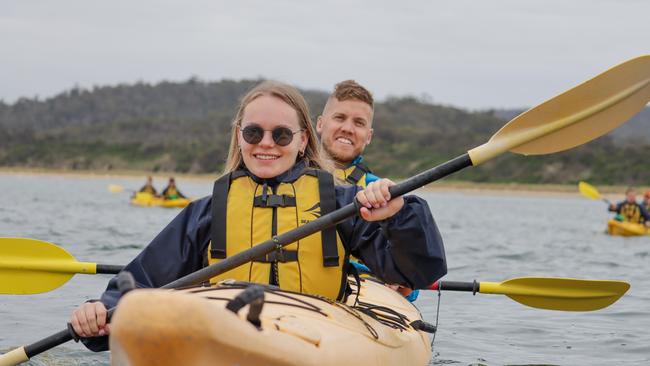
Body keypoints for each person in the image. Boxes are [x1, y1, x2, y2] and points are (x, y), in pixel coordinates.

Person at [71, 81, 447, 351]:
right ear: (239, 136)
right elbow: (144, 280)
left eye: (281, 135)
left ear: (302, 140)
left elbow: (417, 272)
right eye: (253, 132)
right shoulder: (205, 213)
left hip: (316, 332)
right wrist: (101, 312)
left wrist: (401, 214)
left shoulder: (339, 204)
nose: (266, 143)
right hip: (222, 330)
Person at [317, 80, 379, 187]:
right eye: (340, 118)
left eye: (359, 123)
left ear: (369, 136)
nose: (348, 129)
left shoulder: (377, 188)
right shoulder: (287, 174)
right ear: (320, 124)